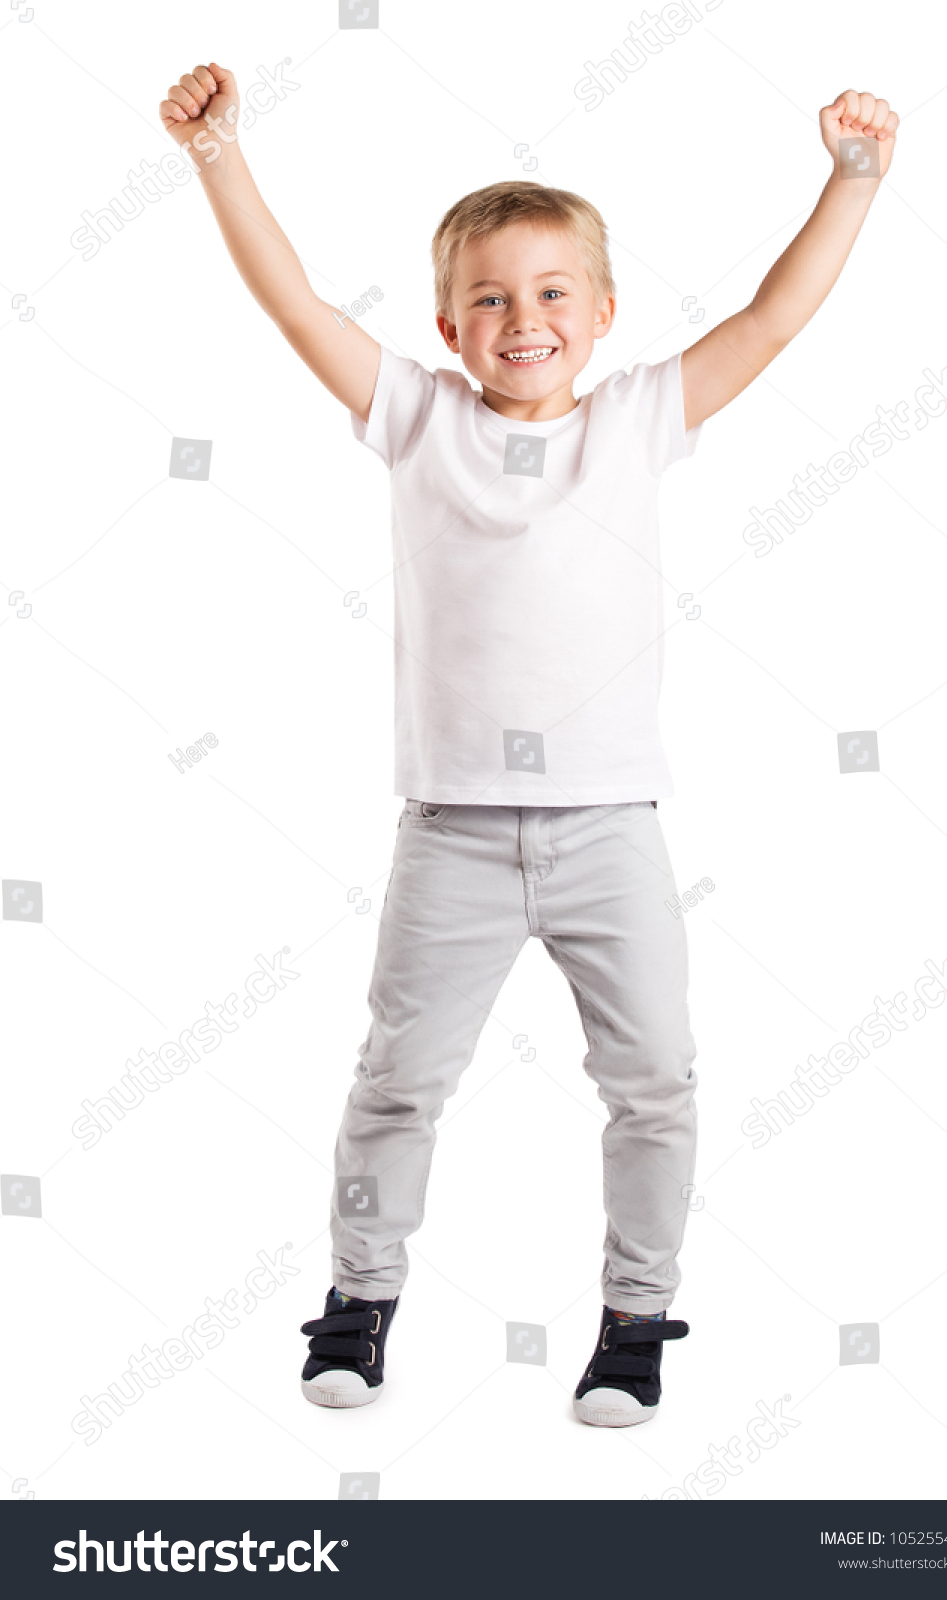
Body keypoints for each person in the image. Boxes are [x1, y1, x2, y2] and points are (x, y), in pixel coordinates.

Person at [159, 64, 898, 1428]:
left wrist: (850, 181)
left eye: (554, 292)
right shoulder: (417, 419)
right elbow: (293, 303)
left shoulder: (636, 422)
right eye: (491, 296)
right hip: (449, 830)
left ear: (603, 315)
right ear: (448, 322)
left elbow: (776, 323)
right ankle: (360, 1300)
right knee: (396, 1080)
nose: (524, 319)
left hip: (611, 828)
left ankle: (633, 1318)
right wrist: (219, 158)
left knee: (659, 1080)